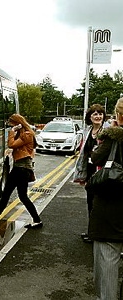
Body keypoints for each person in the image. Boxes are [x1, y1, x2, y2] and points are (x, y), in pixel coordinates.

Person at [88, 97, 123, 300]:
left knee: (107, 263)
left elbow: (96, 158)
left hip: (112, 207)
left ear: (118, 115)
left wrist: (110, 131)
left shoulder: (114, 137)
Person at [0, 113, 42, 229]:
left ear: (17, 123)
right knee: (10, 195)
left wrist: (12, 131)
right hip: (19, 169)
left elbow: (11, 144)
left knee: (19, 196)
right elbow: (17, 147)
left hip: (21, 169)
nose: (10, 126)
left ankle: (37, 220)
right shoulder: (24, 134)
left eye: (11, 124)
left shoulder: (27, 135)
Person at [73, 104, 108, 243]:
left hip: (103, 171)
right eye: (94, 114)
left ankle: (99, 233)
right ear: (89, 117)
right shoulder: (88, 131)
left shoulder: (108, 130)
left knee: (99, 204)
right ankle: (92, 232)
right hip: (90, 171)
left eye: (100, 113)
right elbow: (83, 153)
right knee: (90, 203)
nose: (98, 116)